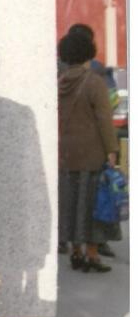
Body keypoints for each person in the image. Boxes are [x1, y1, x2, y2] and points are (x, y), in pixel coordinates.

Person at [58, 30, 119, 273]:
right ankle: (92, 255)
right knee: (94, 207)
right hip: (92, 156)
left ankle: (75, 252)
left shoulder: (59, 81)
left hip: (66, 156)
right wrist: (112, 150)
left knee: (71, 206)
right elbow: (104, 120)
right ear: (88, 53)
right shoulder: (94, 82)